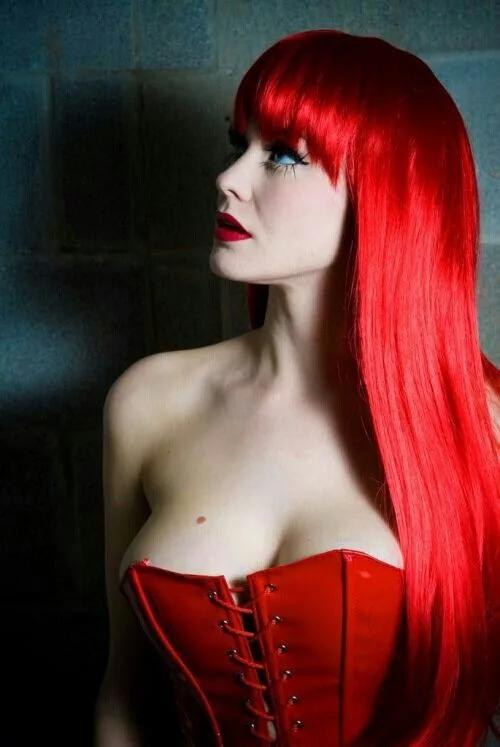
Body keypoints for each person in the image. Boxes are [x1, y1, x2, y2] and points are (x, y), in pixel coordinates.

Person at [94, 29, 500, 746]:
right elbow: (124, 698)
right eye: (238, 143)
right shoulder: (147, 403)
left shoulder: (485, 424)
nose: (229, 178)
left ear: (386, 190)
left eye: (283, 155)